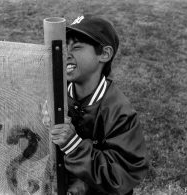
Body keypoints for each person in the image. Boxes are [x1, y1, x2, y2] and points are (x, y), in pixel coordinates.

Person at [50, 15, 148, 195]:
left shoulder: (119, 111)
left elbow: (120, 176)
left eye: (77, 47)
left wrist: (73, 145)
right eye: (65, 47)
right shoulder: (55, 94)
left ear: (104, 54)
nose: (66, 54)